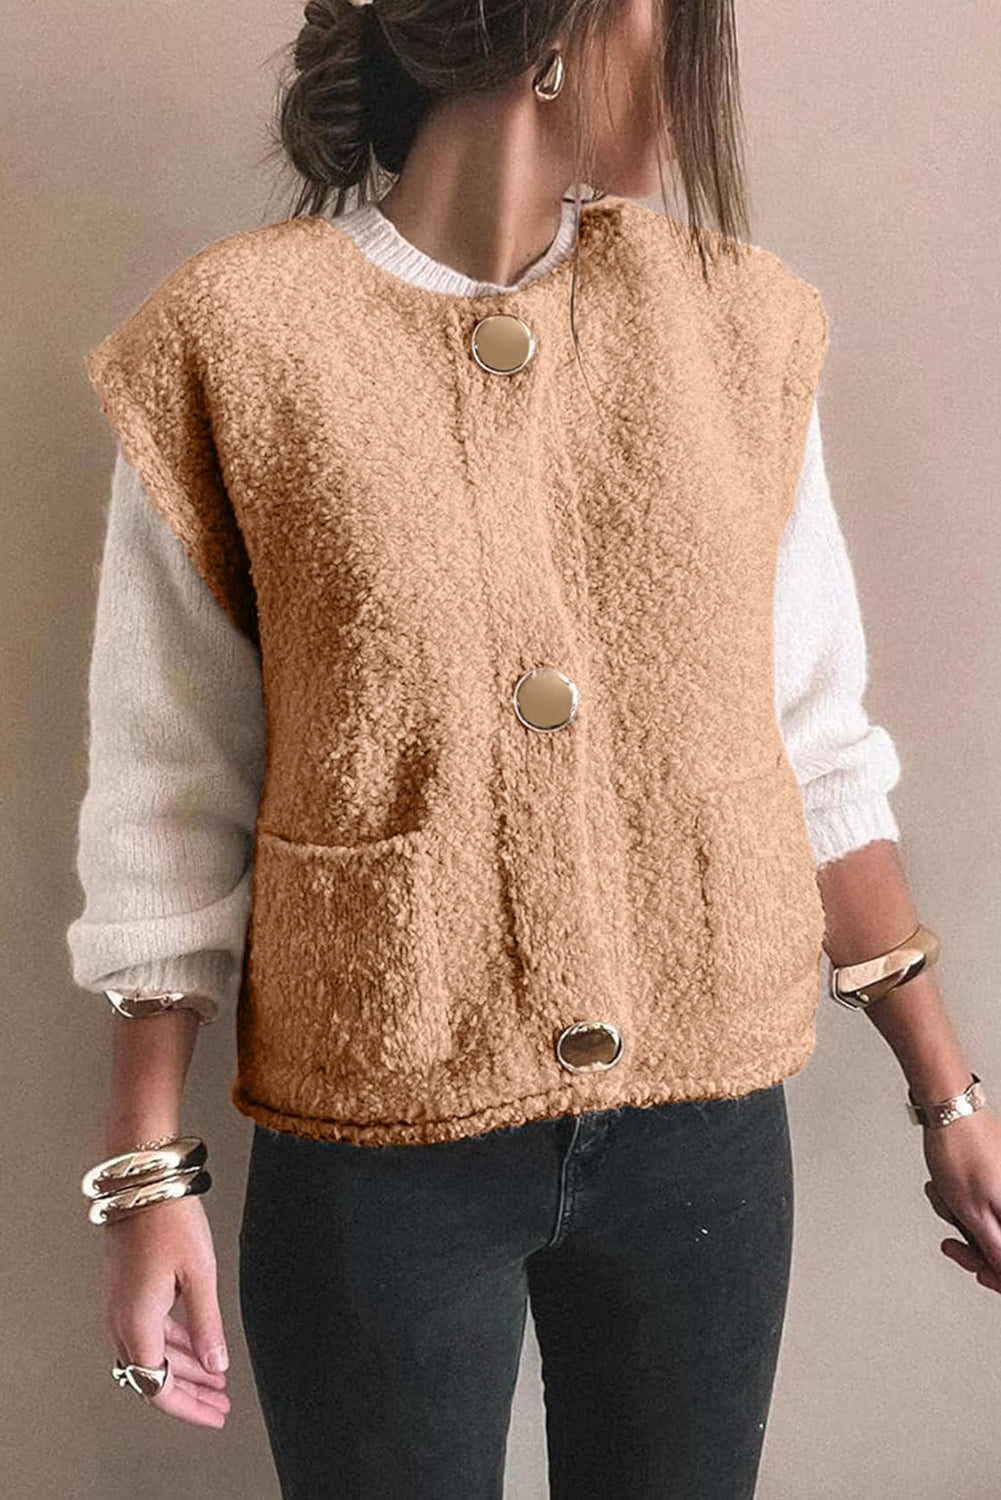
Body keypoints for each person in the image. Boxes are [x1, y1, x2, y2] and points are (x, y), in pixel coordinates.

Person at [69, 2, 1001, 1497]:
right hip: (378, 1134)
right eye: (680, 30)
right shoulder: (234, 341)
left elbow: (815, 745)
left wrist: (947, 1095)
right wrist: (143, 1178)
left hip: (704, 1134)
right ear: (579, 23)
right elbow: (167, 801)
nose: (694, 88)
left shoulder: (739, 329)